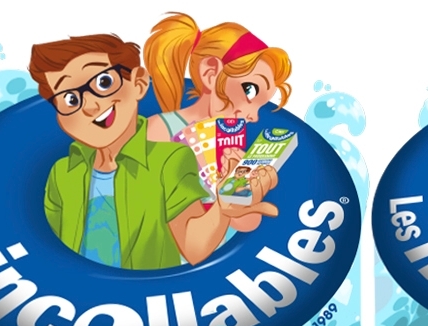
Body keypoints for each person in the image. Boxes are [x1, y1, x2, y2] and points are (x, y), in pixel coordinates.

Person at [30, 32, 275, 269]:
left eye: (104, 83)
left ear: (138, 83)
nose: (91, 106)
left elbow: (193, 247)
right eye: (70, 99)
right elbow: (50, 250)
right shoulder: (62, 173)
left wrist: (223, 208)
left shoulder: (169, 160)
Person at [144, 17, 291, 237]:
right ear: (211, 74)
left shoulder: (229, 141)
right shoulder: (160, 130)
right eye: (249, 90)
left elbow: (246, 225)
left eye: (261, 105)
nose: (253, 117)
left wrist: (245, 193)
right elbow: (151, 215)